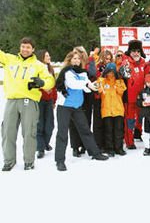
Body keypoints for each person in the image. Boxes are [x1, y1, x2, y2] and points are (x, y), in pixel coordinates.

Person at [1, 37, 55, 171]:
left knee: (29, 132)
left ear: (33, 49)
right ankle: (9, 161)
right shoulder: (10, 59)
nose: (25, 49)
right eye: (23, 47)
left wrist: (42, 83)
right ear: (20, 47)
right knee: (7, 131)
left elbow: (50, 81)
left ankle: (29, 161)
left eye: (28, 47)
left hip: (29, 102)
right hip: (12, 100)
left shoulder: (38, 65)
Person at [55, 50, 108, 171]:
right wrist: (86, 83)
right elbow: (74, 85)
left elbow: (88, 88)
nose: (76, 61)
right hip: (65, 107)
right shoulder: (67, 72)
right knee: (62, 134)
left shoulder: (83, 73)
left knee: (85, 130)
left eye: (78, 59)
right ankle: (59, 160)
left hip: (77, 106)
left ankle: (95, 153)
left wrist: (95, 86)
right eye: (74, 59)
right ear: (69, 60)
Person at [120, 40, 146, 149]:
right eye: (134, 51)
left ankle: (137, 134)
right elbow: (123, 75)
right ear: (130, 52)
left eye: (138, 51)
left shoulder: (144, 62)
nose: (136, 53)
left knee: (140, 118)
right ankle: (129, 141)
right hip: (129, 98)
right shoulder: (126, 62)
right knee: (129, 120)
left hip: (141, 98)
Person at [97, 62, 127, 157]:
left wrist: (117, 80)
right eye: (109, 72)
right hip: (106, 110)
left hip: (118, 110)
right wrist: (101, 80)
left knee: (118, 130)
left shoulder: (120, 81)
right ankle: (109, 149)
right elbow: (98, 90)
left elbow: (121, 91)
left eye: (112, 72)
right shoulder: (102, 81)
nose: (111, 74)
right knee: (108, 130)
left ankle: (119, 148)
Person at [36, 49, 57, 159]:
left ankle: (45, 143)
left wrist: (54, 100)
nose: (49, 57)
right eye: (47, 56)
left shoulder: (50, 69)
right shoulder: (37, 69)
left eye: (49, 55)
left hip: (49, 101)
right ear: (41, 57)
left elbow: (53, 87)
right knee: (40, 125)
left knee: (50, 124)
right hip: (39, 100)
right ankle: (40, 148)